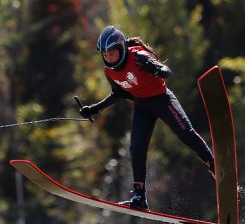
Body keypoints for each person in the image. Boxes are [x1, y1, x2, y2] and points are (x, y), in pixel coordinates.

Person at [79, 25, 214, 210]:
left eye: (112, 53)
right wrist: (95, 108)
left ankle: (214, 165)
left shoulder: (139, 57)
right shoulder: (109, 71)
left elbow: (167, 71)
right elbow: (118, 93)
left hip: (162, 100)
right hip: (142, 107)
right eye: (105, 54)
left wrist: (156, 69)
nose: (109, 58)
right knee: (137, 149)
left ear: (121, 48)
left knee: (186, 134)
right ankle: (139, 197)